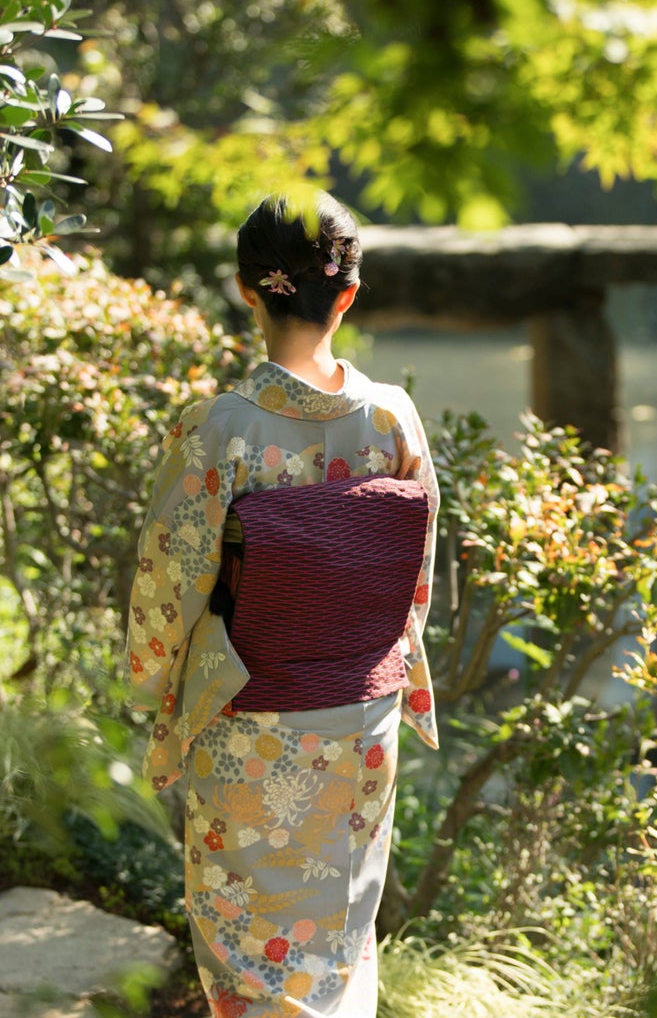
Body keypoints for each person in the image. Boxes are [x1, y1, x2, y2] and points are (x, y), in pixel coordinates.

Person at [125, 189, 439, 1018]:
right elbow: (415, 580)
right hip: (361, 718)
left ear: (245, 289)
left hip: (248, 724)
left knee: (249, 958)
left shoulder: (220, 429)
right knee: (339, 939)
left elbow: (168, 592)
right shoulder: (393, 417)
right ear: (348, 294)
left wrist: (150, 697)